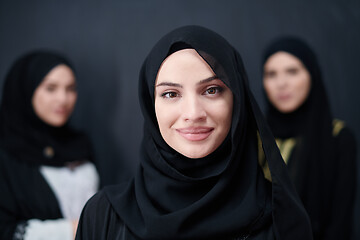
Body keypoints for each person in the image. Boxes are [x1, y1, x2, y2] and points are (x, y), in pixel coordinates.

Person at [76, 25, 312, 240]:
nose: (193, 113)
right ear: (151, 106)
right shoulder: (103, 216)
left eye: (211, 90)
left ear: (238, 101)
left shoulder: (280, 220)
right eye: (171, 94)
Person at [261, 37, 357, 240]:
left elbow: (340, 226)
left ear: (311, 74)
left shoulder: (338, 137)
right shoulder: (255, 137)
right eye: (271, 74)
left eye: (292, 71)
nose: (281, 83)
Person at [0, 51, 99, 240]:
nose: (63, 98)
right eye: (51, 88)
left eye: (70, 88)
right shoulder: (6, 153)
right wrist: (76, 229)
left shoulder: (79, 144)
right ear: (27, 89)